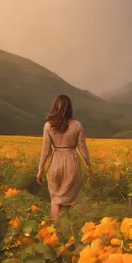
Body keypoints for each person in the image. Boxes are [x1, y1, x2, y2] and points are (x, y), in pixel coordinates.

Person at [36, 94, 94, 222]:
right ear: (70, 108)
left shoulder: (48, 126)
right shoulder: (77, 125)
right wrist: (90, 166)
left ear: (55, 107)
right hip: (71, 164)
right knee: (66, 200)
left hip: (54, 164)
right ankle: (64, 229)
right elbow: (83, 150)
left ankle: (55, 231)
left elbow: (46, 151)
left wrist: (40, 170)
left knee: (55, 200)